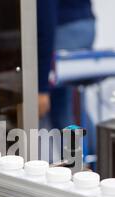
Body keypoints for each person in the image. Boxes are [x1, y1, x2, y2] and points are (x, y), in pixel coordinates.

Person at [37, 0, 96, 130]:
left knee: (60, 109)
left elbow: (45, 16)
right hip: (84, 23)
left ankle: (85, 149)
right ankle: (97, 148)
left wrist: (42, 87)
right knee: (75, 108)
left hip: (64, 26)